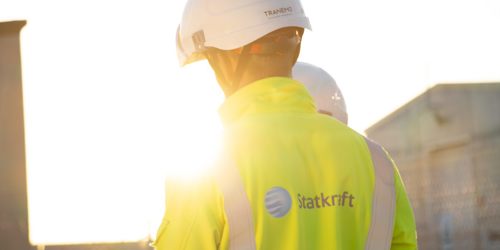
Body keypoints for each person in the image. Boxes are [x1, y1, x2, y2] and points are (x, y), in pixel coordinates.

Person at [154, 0, 417, 249]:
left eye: (211, 59)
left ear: (228, 56)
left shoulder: (203, 170)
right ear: (294, 46)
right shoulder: (376, 162)